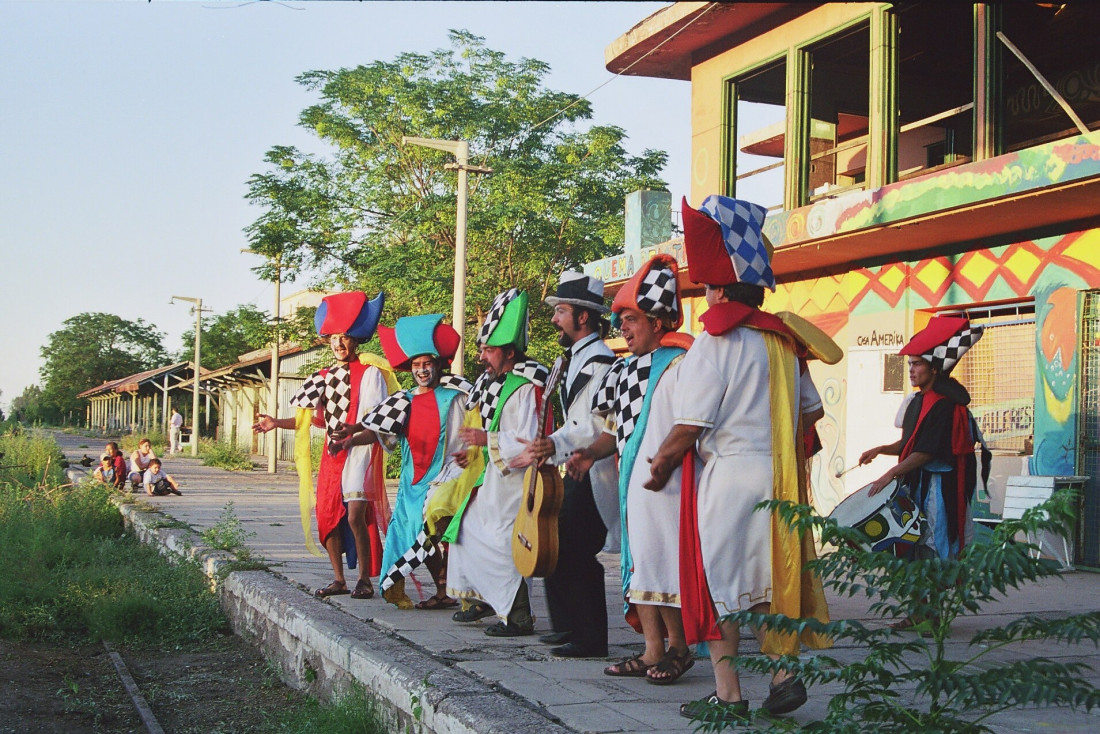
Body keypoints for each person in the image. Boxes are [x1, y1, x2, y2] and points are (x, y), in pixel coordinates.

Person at [652, 196, 831, 722]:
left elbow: (690, 424)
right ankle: (783, 675)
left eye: (707, 286)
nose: (704, 297)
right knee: (772, 578)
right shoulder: (784, 342)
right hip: (778, 477)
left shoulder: (715, 342)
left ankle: (728, 694)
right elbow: (810, 414)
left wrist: (659, 463)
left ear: (722, 288)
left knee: (718, 585)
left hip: (729, 475)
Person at [567, 255, 698, 682]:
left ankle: (679, 649)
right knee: (641, 564)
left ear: (658, 322)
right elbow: (614, 432)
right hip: (634, 488)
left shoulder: (684, 364)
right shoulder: (622, 371)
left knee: (666, 564)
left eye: (631, 319)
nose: (622, 326)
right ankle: (652, 650)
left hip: (672, 486)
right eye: (621, 318)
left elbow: (693, 425)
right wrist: (590, 452)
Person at [253, 291, 396, 600]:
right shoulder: (321, 377)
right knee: (326, 517)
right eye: (333, 337)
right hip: (333, 456)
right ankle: (339, 578)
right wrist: (277, 422)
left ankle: (364, 580)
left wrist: (350, 438)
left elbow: (376, 425)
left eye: (344, 337)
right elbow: (306, 420)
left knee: (357, 515)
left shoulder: (372, 375)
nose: (339, 343)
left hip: (359, 453)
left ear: (356, 341)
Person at [332, 314, 475, 611]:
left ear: (438, 365)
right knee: (415, 534)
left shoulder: (455, 396)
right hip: (413, 480)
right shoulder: (404, 400)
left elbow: (468, 436)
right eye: (416, 365)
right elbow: (376, 432)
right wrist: (349, 438)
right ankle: (442, 589)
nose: (422, 371)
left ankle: (461, 589)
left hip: (449, 473)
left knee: (444, 528)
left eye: (427, 364)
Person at [510, 271, 618, 658]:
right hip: (574, 465)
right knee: (553, 540)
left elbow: (591, 424)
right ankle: (569, 625)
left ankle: (590, 637)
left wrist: (551, 443)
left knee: (573, 547)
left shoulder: (600, 361)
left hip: (592, 467)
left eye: (562, 311)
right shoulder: (576, 359)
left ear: (583, 317)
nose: (555, 319)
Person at [445, 288, 546, 637]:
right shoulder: (503, 384)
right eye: (483, 349)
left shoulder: (523, 387)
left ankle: (518, 617)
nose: (483, 356)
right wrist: (476, 450)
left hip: (518, 484)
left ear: (509, 352)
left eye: (489, 350)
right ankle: (483, 599)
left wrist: (484, 441)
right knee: (466, 530)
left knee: (506, 544)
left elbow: (525, 439)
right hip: (498, 480)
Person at [859, 316, 986, 580]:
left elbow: (926, 452)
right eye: (910, 364)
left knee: (933, 547)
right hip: (917, 486)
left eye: (917, 364)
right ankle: (918, 614)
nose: (911, 370)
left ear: (934, 369)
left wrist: (889, 474)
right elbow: (910, 444)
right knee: (913, 549)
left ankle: (931, 616)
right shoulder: (917, 401)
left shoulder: (944, 405)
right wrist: (881, 449)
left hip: (938, 491)